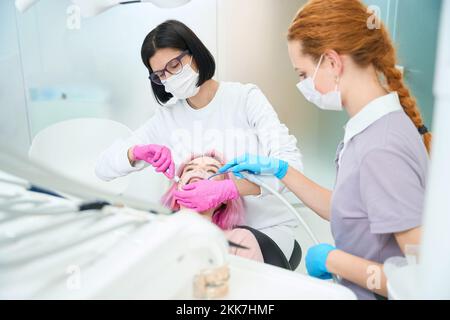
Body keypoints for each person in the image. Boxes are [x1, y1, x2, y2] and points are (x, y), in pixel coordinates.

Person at [220, 0, 430, 299]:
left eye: (303, 74)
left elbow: (423, 280)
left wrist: (334, 261)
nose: (302, 85)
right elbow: (352, 211)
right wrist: (282, 171)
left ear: (332, 62)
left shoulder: (382, 148)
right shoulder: (371, 129)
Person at [95, 20, 303, 262]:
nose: (169, 77)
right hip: (202, 234)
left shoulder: (245, 99)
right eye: (160, 74)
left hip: (265, 231)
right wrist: (136, 153)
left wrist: (230, 188)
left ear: (194, 53)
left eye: (174, 64)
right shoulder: (167, 118)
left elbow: (292, 169)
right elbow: (102, 168)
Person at [161, 151, 263, 262]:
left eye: (211, 171)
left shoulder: (240, 240)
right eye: (190, 169)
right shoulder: (158, 230)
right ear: (177, 186)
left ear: (225, 196)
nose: (198, 171)